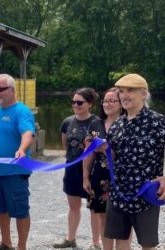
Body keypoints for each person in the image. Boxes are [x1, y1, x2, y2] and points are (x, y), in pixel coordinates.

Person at [104, 74, 165, 250]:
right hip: (119, 193)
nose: (124, 95)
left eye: (130, 90)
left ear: (144, 94)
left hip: (145, 192)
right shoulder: (117, 124)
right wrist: (103, 149)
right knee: (120, 241)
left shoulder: (157, 122)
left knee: (147, 243)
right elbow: (114, 157)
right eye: (121, 91)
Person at [0, 74, 35, 250]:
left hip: (14, 172)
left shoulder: (22, 111)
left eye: (1, 89)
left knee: (20, 210)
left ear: (12, 90)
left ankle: (22, 246)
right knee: (0, 208)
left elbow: (28, 133)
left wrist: (22, 150)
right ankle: (6, 243)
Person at [53, 87, 99, 249]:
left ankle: (95, 243)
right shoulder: (67, 122)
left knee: (94, 209)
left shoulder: (97, 122)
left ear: (90, 104)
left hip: (92, 171)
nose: (76, 105)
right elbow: (66, 145)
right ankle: (70, 239)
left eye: (80, 102)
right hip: (72, 170)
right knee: (74, 207)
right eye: (73, 102)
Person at [83, 87, 124, 250]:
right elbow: (87, 154)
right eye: (105, 100)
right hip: (99, 176)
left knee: (122, 218)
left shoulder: (128, 123)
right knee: (102, 217)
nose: (107, 104)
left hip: (123, 176)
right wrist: (85, 177)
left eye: (112, 100)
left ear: (121, 104)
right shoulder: (95, 123)